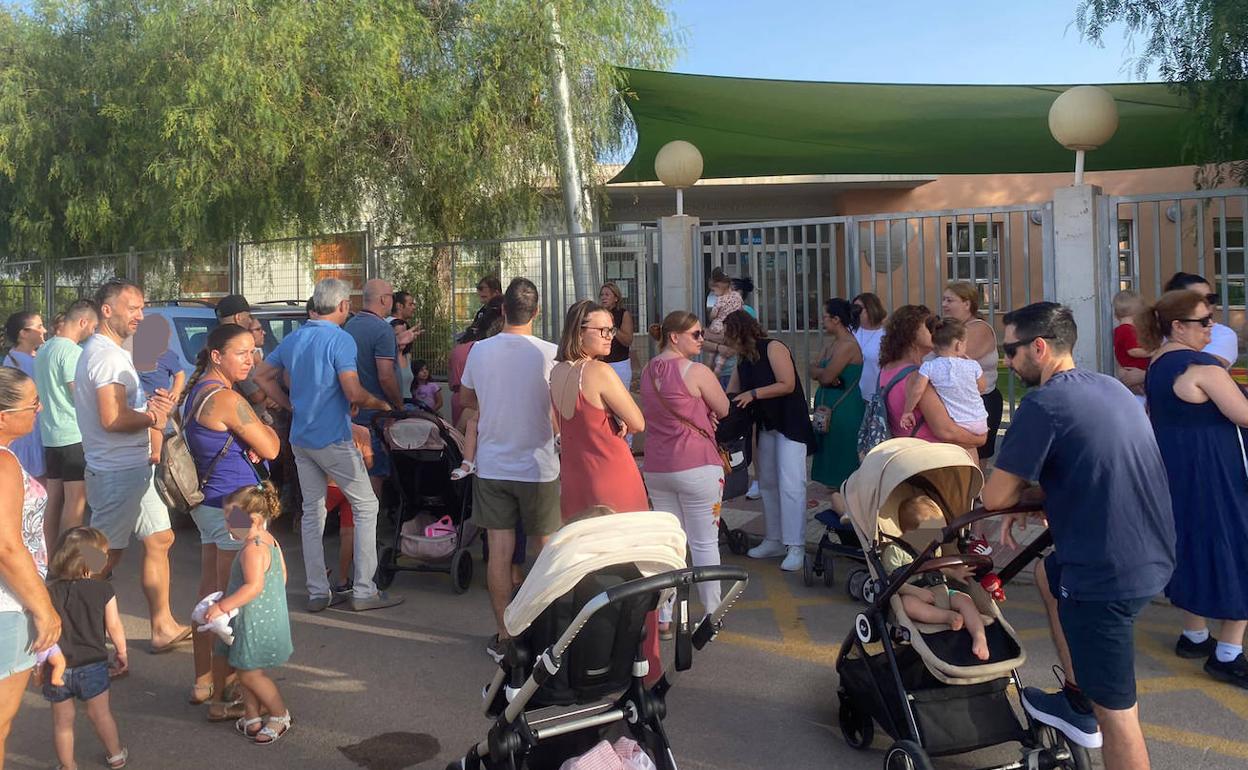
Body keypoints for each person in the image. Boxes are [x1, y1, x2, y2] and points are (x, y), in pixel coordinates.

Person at [982, 301, 1175, 768]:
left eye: (1011, 350)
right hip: (1152, 551)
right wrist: (1043, 496)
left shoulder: (1043, 404)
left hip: (1105, 575)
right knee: (1049, 574)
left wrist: (1020, 498)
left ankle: (1091, 707)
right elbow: (1094, 464)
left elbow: (994, 497)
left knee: (1119, 717)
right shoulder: (1108, 387)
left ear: (1039, 347)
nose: (1007, 361)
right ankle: (1076, 696)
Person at [254, 278, 400, 613]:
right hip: (332, 438)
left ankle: (318, 591)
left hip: (301, 439)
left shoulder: (295, 338)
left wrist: (291, 406)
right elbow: (352, 391)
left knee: (313, 513)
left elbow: (261, 375)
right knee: (366, 505)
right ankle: (364, 589)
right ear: (343, 305)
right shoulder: (340, 339)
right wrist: (379, 404)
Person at [1138, 290, 1248, 687]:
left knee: (1191, 543)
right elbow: (1244, 415)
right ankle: (1228, 653)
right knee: (1238, 548)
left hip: (1177, 470)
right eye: (1204, 321)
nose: (1211, 327)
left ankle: (1194, 635)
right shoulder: (1203, 368)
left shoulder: (1157, 363)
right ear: (1178, 326)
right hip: (1216, 471)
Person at [74, 280, 188, 653]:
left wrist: (149, 411)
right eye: (133, 308)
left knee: (160, 538)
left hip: (133, 468)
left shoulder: (111, 351)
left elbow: (119, 412)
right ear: (107, 310)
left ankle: (162, 627)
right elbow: (112, 418)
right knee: (101, 556)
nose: (141, 315)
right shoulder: (106, 356)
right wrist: (153, 417)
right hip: (116, 472)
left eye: (142, 307)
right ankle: (77, 638)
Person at [178, 324, 281, 718]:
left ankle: (203, 682)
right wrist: (263, 430)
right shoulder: (226, 398)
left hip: (208, 504)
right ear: (217, 355)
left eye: (253, 351)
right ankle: (225, 696)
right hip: (234, 508)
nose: (250, 360)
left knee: (209, 595)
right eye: (241, 352)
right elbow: (271, 446)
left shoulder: (198, 391)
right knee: (232, 604)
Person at [460, 278, 560, 660]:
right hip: (539, 466)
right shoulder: (550, 354)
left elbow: (466, 397)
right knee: (547, 553)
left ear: (502, 311)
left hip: (493, 465)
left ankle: (506, 637)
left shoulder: (479, 351)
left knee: (499, 553)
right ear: (537, 312)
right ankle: (551, 634)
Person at [640, 311, 730, 637]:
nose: (702, 339)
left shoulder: (648, 371)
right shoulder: (696, 371)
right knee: (704, 543)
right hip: (697, 465)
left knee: (669, 543)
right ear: (674, 337)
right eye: (696, 334)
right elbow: (724, 408)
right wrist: (704, 411)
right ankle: (712, 614)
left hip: (658, 467)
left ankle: (664, 616)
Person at [724, 311, 815, 572]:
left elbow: (787, 384)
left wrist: (753, 394)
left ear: (739, 332)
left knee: (791, 483)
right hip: (765, 425)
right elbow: (732, 390)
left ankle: (795, 545)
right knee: (767, 483)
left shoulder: (773, 347)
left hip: (789, 423)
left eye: (728, 335)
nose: (726, 341)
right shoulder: (743, 358)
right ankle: (774, 539)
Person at [0, 366, 59, 766]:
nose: (39, 409)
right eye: (33, 403)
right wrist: (45, 610)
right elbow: (7, 546)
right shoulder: (3, 462)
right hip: (7, 605)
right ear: (3, 416)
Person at [203, 482, 293, 744]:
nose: (227, 525)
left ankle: (279, 714)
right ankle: (251, 716)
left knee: (250, 674)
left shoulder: (252, 549)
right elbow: (283, 575)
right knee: (243, 667)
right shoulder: (269, 540)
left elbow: (253, 586)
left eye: (231, 520)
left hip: (255, 622)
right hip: (261, 616)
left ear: (252, 520)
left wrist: (222, 606)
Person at [550, 300, 647, 522]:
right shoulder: (599, 371)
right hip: (610, 474)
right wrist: (621, 420)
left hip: (574, 478)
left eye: (611, 329)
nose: (609, 336)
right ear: (579, 333)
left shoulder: (557, 372)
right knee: (626, 539)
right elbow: (638, 423)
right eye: (602, 330)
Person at [42, 527, 128, 770]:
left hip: (57, 667)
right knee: (100, 714)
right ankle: (116, 755)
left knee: (62, 722)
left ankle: (68, 765)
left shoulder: (48, 592)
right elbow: (114, 625)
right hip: (93, 664)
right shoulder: (104, 590)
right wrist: (122, 652)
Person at [885, 496, 989, 661]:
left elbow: (938, 567)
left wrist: (955, 573)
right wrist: (916, 592)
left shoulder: (933, 548)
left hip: (942, 592)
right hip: (913, 594)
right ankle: (946, 617)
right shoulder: (895, 552)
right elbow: (892, 582)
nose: (939, 539)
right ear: (912, 533)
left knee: (965, 599)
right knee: (908, 604)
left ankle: (979, 637)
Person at [876, 305, 988, 455]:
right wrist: (980, 439)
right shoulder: (915, 377)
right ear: (911, 332)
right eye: (929, 325)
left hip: (906, 453)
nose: (936, 329)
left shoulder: (888, 369)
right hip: (931, 456)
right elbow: (946, 431)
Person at [34, 300, 98, 542]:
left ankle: (48, 555)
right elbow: (79, 394)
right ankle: (68, 558)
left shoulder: (44, 349)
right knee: (75, 500)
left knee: (54, 499)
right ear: (83, 322)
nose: (93, 332)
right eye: (93, 327)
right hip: (73, 435)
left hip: (50, 435)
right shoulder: (73, 352)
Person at [343, 279, 404, 502]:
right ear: (383, 300)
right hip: (375, 415)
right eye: (391, 296)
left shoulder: (350, 326)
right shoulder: (382, 329)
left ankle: (352, 519)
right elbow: (385, 376)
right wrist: (398, 405)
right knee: (374, 472)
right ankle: (372, 521)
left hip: (351, 412)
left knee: (354, 472)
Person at [810, 299, 865, 511]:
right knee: (830, 449)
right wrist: (821, 373)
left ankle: (848, 505)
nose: (822, 321)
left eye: (824, 317)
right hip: (829, 404)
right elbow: (813, 369)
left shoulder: (848, 345)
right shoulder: (832, 344)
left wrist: (822, 373)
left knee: (843, 453)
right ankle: (838, 501)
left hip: (844, 408)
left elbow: (826, 376)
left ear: (836, 319)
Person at [899, 318, 989, 440]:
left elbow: (917, 391)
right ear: (959, 345)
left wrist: (907, 411)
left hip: (956, 422)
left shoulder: (929, 366)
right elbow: (982, 387)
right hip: (980, 422)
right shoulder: (973, 365)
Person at [942, 282, 1003, 459]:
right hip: (958, 403)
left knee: (974, 460)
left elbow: (954, 360)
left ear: (967, 304)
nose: (944, 304)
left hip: (980, 402)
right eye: (944, 300)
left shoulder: (978, 328)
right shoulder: (953, 330)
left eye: (950, 300)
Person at [1163, 272, 1241, 367]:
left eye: (1210, 298)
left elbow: (1206, 368)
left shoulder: (1223, 334)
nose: (1206, 304)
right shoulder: (1156, 334)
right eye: (1196, 300)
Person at [3, 310, 46, 479]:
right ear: (23, 333)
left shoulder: (36, 357)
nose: (44, 330)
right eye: (39, 327)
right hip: (28, 434)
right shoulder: (17, 363)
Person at [133, 314, 186, 403]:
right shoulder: (134, 353)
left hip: (158, 400)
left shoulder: (168, 355)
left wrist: (176, 391)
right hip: (137, 401)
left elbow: (180, 374)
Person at [702, 268, 744, 378]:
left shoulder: (720, 300)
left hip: (719, 324)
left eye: (714, 290)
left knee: (713, 350)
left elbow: (713, 315)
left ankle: (710, 365)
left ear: (719, 286)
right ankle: (717, 368)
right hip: (732, 326)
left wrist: (711, 317)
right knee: (723, 350)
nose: (714, 294)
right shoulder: (737, 296)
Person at [1112, 290, 1150, 405]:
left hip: (1129, 371)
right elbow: (1133, 351)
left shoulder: (1120, 330)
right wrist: (1152, 352)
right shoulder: (1127, 329)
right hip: (1134, 370)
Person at [850, 292, 888, 401]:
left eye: (858, 309)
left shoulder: (886, 335)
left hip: (875, 396)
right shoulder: (850, 331)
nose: (855, 312)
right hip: (852, 395)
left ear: (871, 309)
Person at [598, 282, 635, 390]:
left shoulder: (623, 314)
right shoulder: (598, 314)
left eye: (607, 294)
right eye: (602, 295)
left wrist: (613, 327)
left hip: (619, 364)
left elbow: (627, 341)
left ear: (616, 298)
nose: (603, 297)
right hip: (601, 363)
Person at [463, 276, 504, 341]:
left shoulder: (501, 309)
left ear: (496, 292)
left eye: (481, 288)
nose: (479, 291)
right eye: (478, 288)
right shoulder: (484, 310)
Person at [391, 319, 416, 403]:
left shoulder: (408, 356)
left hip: (408, 403)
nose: (403, 337)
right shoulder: (387, 358)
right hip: (393, 404)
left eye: (405, 334)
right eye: (397, 335)